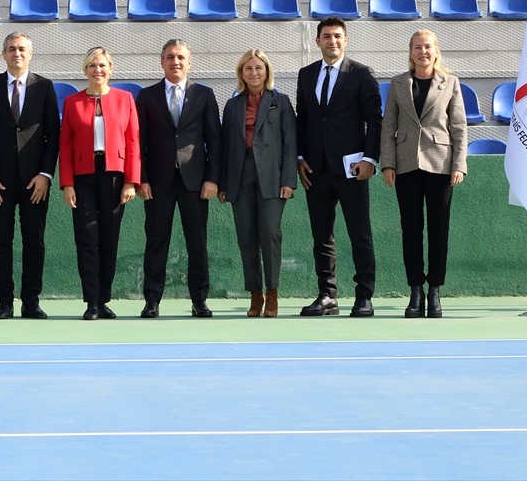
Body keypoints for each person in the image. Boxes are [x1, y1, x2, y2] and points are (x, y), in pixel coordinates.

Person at [295, 16, 382, 317]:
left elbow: (375, 119)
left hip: (352, 169)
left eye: (337, 36)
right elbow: (303, 119)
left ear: (346, 40)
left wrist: (370, 160)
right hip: (316, 169)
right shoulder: (306, 75)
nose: (332, 41)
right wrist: (300, 157)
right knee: (321, 235)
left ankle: (364, 295)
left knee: (360, 233)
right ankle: (327, 295)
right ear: (317, 41)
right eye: (327, 36)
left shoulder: (361, 74)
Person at [380, 29, 468, 319]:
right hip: (406, 165)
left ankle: (435, 291)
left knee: (439, 229)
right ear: (410, 52)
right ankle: (416, 290)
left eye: (427, 46)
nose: (423, 52)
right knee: (411, 229)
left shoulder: (450, 83)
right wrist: (388, 163)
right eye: (417, 47)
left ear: (436, 50)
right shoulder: (398, 83)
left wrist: (459, 164)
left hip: (441, 164)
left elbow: (459, 127)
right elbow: (388, 125)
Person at [0, 32, 59, 320]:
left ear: (31, 53)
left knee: (34, 241)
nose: (17, 53)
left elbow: (52, 135)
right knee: (1, 241)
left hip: (35, 181)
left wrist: (46, 174)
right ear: (4, 54)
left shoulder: (44, 87)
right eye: (11, 49)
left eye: (22, 49)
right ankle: (4, 301)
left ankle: (31, 300)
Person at [136, 39, 221, 318]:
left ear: (189, 61)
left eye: (181, 57)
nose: (176, 62)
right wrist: (142, 179)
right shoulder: (147, 96)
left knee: (197, 241)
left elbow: (214, 140)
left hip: (195, 181)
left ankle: (199, 300)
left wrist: (212, 179)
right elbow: (139, 142)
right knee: (156, 240)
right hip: (158, 182)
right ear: (161, 62)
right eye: (170, 57)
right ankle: (152, 300)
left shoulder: (204, 94)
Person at [59, 47, 140, 321]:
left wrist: (131, 181)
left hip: (115, 176)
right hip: (83, 176)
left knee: (109, 240)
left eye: (102, 65)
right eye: (92, 65)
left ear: (111, 68)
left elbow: (133, 142)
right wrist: (67, 184)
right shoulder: (72, 102)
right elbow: (66, 146)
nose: (97, 70)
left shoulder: (125, 99)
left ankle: (104, 300)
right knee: (87, 239)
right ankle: (91, 302)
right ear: (85, 70)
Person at [218, 50, 297, 318]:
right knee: (246, 237)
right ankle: (255, 294)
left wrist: (289, 180)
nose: (254, 73)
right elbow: (224, 147)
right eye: (248, 68)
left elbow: (290, 144)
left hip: (273, 178)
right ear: (241, 73)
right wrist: (223, 183)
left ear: (267, 71)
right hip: (240, 176)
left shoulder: (282, 102)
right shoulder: (232, 105)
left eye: (259, 68)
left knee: (269, 232)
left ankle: (272, 292)